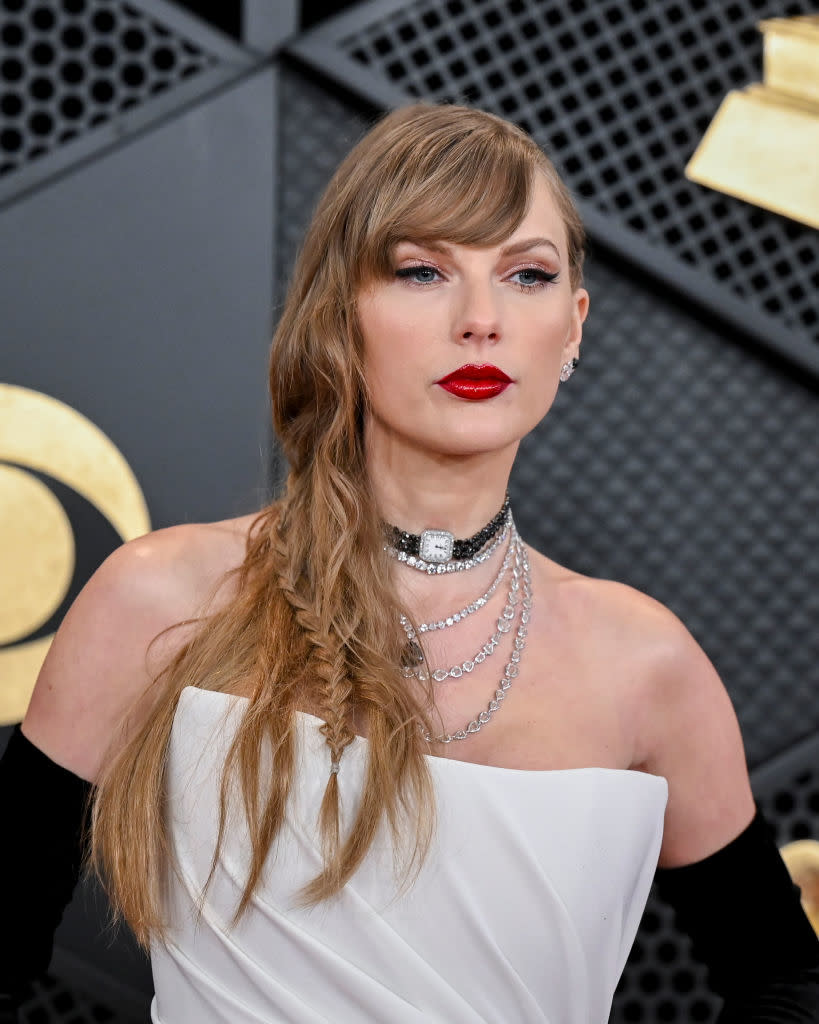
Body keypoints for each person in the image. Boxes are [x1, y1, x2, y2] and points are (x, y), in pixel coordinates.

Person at [1, 103, 818, 1023]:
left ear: (575, 325)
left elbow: (785, 983)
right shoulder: (164, 597)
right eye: (424, 271)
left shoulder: (645, 664)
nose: (481, 320)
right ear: (340, 313)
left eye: (527, 275)